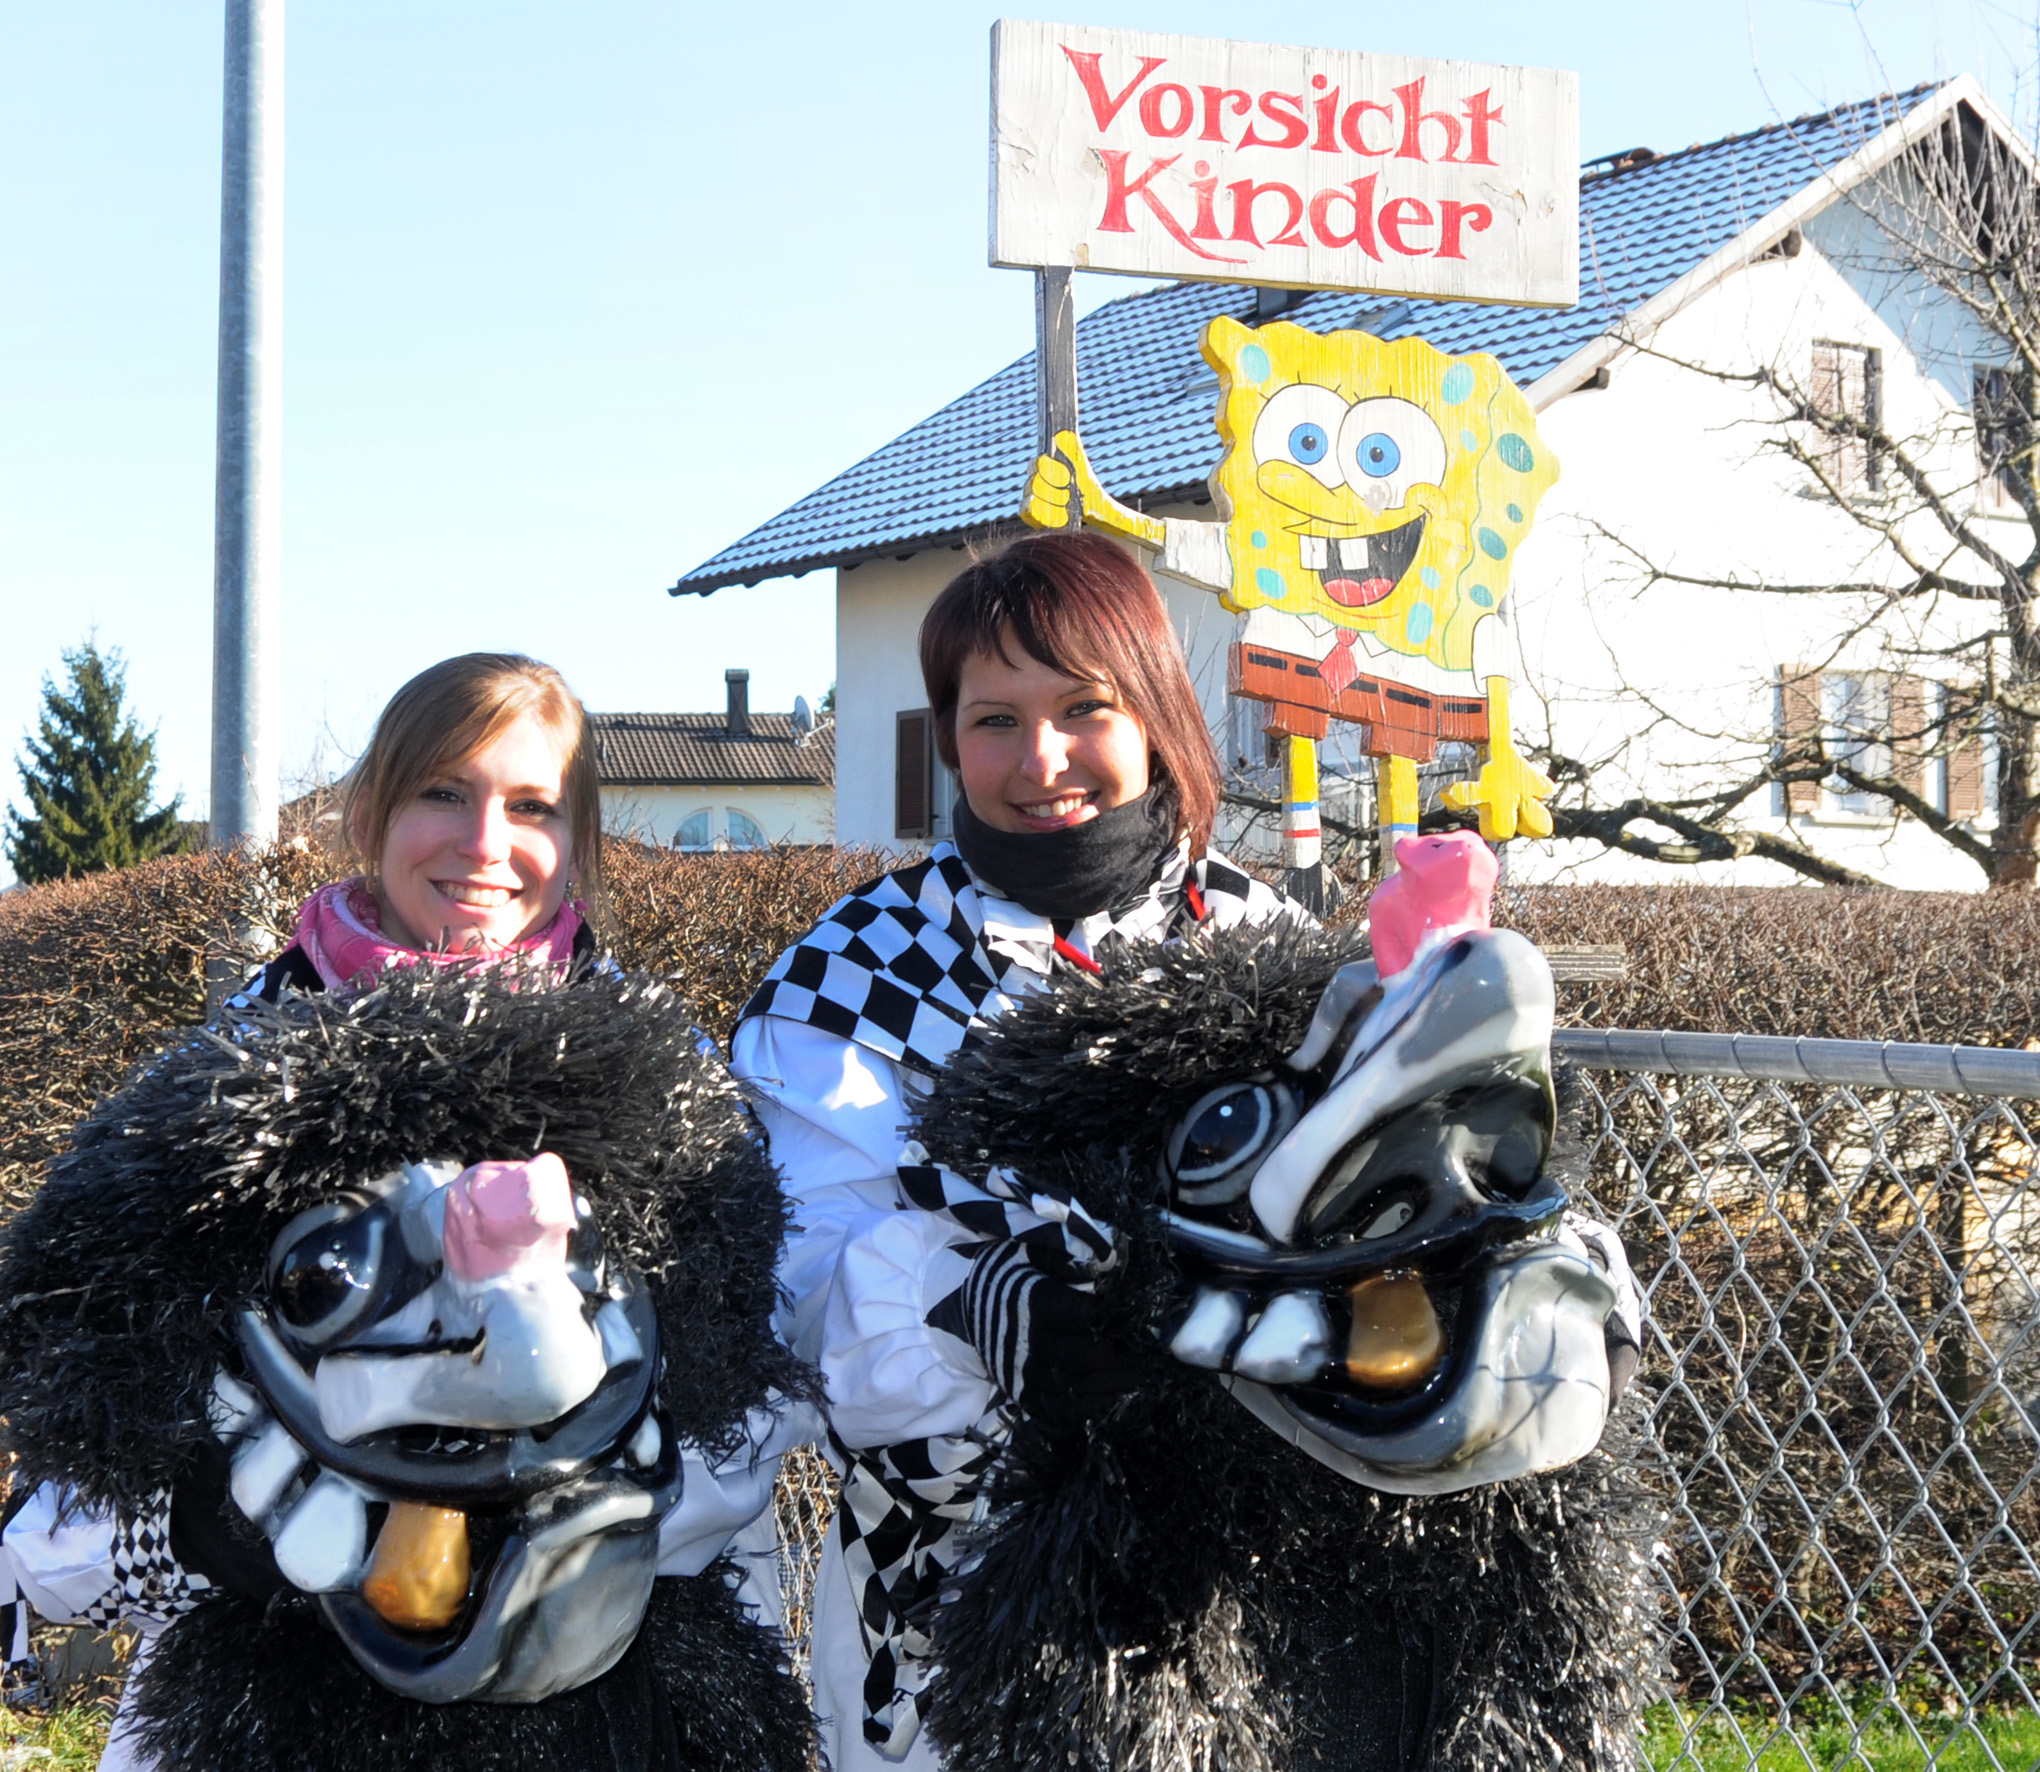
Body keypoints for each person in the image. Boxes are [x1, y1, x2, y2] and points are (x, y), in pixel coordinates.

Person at [1, 652, 811, 1767]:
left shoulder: (675, 1091)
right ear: (371, 814)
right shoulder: (227, 1079)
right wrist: (215, 1521)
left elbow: (749, 1425)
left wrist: (540, 1508)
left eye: (531, 805)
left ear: (578, 840)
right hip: (266, 1713)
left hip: (609, 1712)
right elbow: (68, 1503)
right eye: (444, 791)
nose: (483, 842)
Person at [731, 533, 1302, 1772]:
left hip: (1240, 1577)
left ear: (1154, 711)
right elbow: (806, 1286)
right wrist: (994, 1314)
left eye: (1084, 707)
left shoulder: (1262, 933)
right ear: (948, 739)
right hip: (945, 1598)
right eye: (995, 719)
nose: (1041, 759)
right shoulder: (852, 968)